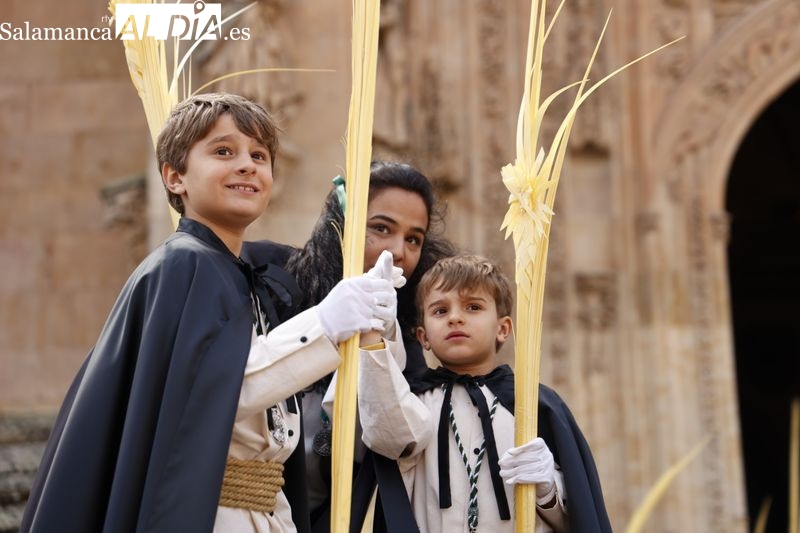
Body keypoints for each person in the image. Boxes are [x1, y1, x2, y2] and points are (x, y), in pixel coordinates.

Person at [20, 92, 396, 533]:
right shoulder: (181, 264)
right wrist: (325, 325)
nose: (247, 165)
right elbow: (213, 392)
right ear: (175, 176)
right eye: (223, 151)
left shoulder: (244, 277)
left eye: (260, 155)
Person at [241, 161, 456, 530]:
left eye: (413, 239)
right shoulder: (262, 275)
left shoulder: (409, 340)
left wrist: (380, 346)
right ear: (340, 223)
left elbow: (405, 447)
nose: (397, 251)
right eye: (381, 228)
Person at [357, 255, 613, 532]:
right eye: (440, 311)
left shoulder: (534, 404)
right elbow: (386, 431)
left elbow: (581, 519)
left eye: (473, 307)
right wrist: (372, 333)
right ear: (424, 337)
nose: (455, 318)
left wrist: (549, 488)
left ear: (502, 329)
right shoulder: (412, 403)